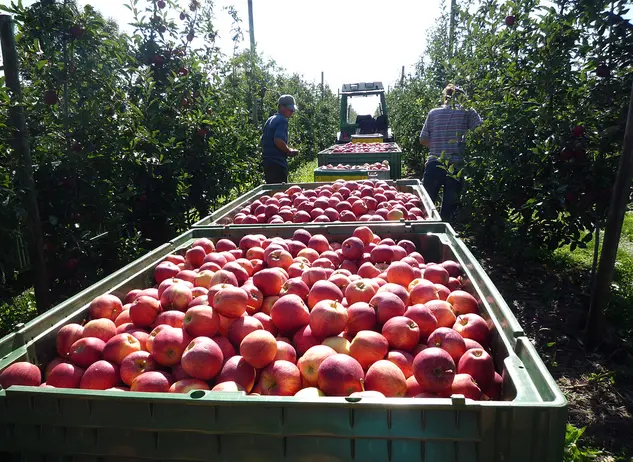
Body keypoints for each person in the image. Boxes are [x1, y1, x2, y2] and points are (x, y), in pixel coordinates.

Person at [419, 84, 482, 220]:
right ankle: (443, 237)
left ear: (445, 97)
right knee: (448, 210)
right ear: (462, 97)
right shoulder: (468, 112)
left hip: (435, 163)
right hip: (456, 166)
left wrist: (437, 144)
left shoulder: (433, 113)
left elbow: (423, 139)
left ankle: (424, 235)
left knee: (425, 206)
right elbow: (480, 133)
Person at [261, 95, 299, 184]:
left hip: (267, 163)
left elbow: (263, 141)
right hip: (277, 163)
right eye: (289, 109)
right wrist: (289, 151)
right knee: (280, 193)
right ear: (281, 106)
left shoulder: (270, 119)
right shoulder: (282, 120)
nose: (292, 111)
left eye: (292, 109)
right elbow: (278, 140)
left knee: (271, 191)